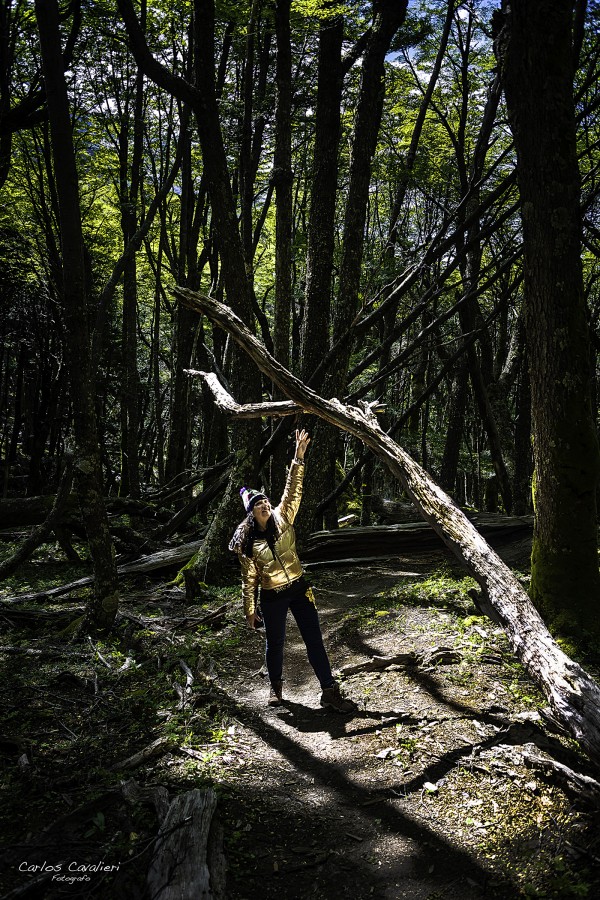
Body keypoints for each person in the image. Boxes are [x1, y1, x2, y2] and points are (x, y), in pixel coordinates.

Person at [229, 429, 356, 713]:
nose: (264, 505)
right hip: (272, 596)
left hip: (299, 588)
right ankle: (276, 688)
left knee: (314, 640)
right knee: (275, 644)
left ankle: (329, 691)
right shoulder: (246, 542)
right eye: (258, 504)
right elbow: (249, 579)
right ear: (251, 513)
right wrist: (250, 610)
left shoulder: (283, 517)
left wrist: (299, 456)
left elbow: (292, 490)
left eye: (265, 501)